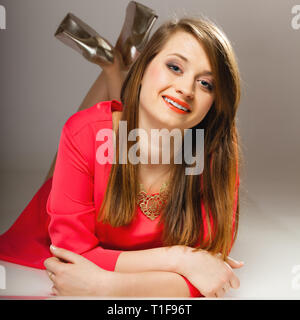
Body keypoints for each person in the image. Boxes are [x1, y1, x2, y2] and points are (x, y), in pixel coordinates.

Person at [0, 12, 243, 298]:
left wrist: (105, 285)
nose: (186, 89)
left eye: (206, 84)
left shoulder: (216, 158)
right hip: (62, 201)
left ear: (216, 103)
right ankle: (115, 65)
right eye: (175, 67)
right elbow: (71, 255)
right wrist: (180, 258)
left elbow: (209, 275)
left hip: (112, 143)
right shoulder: (85, 135)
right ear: (145, 65)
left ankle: (114, 63)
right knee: (84, 134)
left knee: (117, 121)